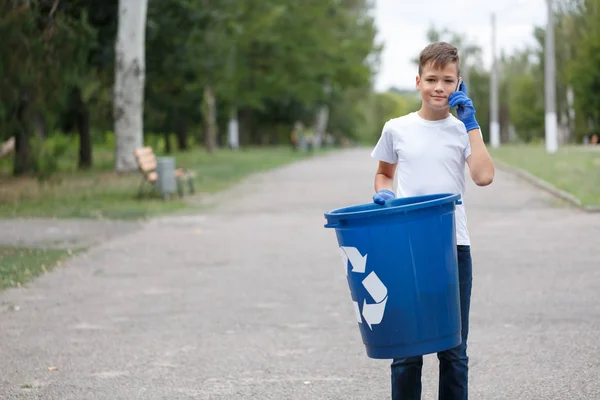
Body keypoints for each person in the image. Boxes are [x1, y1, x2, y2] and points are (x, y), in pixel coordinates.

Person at [370, 42, 495, 400]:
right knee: (407, 350)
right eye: (431, 79)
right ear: (418, 81)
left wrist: (471, 124)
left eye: (448, 80)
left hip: (453, 248)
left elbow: (484, 177)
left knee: (453, 350)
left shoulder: (462, 131)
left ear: (459, 84)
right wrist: (385, 193)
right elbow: (383, 174)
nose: (439, 87)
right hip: (407, 248)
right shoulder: (397, 129)